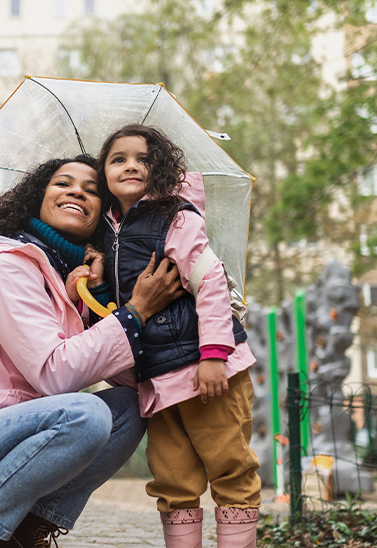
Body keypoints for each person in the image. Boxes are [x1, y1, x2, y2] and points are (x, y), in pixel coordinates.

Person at [0, 154, 187, 548]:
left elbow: (130, 377)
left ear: (104, 217)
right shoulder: (5, 263)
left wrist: (98, 298)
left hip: (4, 448)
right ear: (37, 199)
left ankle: (25, 536)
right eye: (63, 183)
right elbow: (55, 375)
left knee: (127, 410)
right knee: (86, 413)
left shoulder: (64, 284)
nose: (78, 191)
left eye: (93, 189)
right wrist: (136, 313)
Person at [96, 124, 261, 548]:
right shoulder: (106, 232)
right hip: (154, 377)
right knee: (173, 479)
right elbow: (115, 308)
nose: (131, 164)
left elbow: (210, 281)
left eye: (143, 158)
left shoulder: (176, 216)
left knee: (230, 468)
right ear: (103, 173)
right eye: (119, 159)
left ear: (162, 168)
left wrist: (213, 355)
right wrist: (92, 279)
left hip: (203, 369)